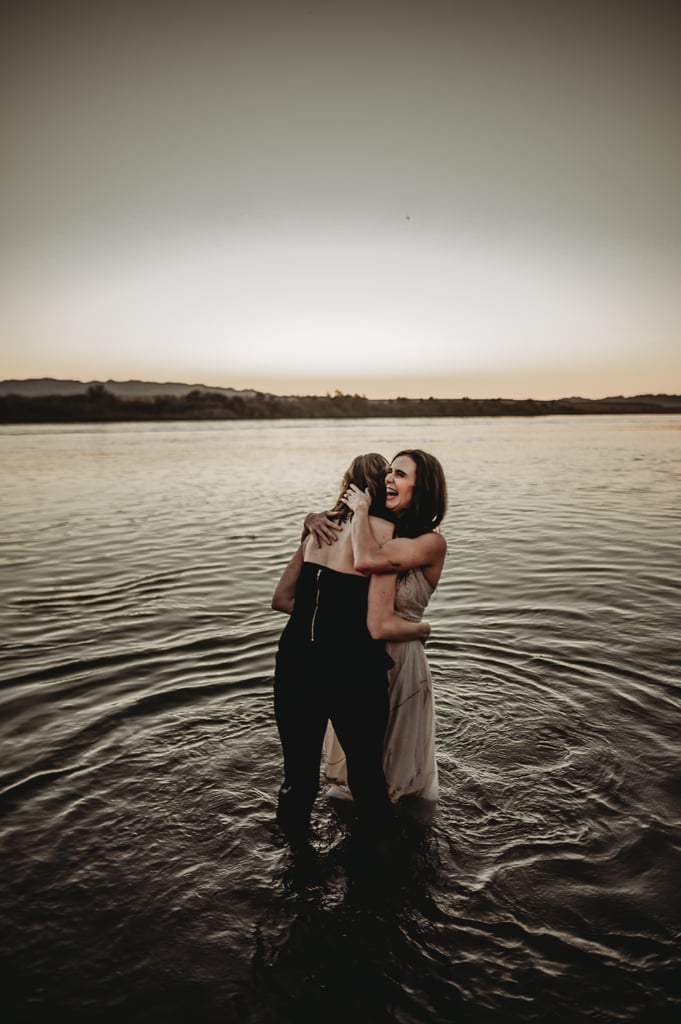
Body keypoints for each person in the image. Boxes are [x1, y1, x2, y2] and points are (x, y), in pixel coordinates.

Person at [271, 453, 429, 847]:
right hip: (352, 669)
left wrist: (308, 524)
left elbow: (281, 600)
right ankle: (379, 874)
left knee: (298, 778)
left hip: (295, 663)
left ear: (346, 483)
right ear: (378, 487)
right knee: (367, 777)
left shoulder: (315, 530)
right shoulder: (384, 533)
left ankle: (297, 866)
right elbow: (377, 615)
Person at [308, 450, 447, 807]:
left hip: (400, 660)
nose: (388, 479)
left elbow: (368, 561)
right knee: (365, 771)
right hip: (360, 656)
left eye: (399, 474)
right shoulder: (378, 532)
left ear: (423, 487)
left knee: (397, 774)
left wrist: (361, 513)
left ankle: (397, 849)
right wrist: (311, 519)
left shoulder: (429, 542)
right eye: (388, 472)